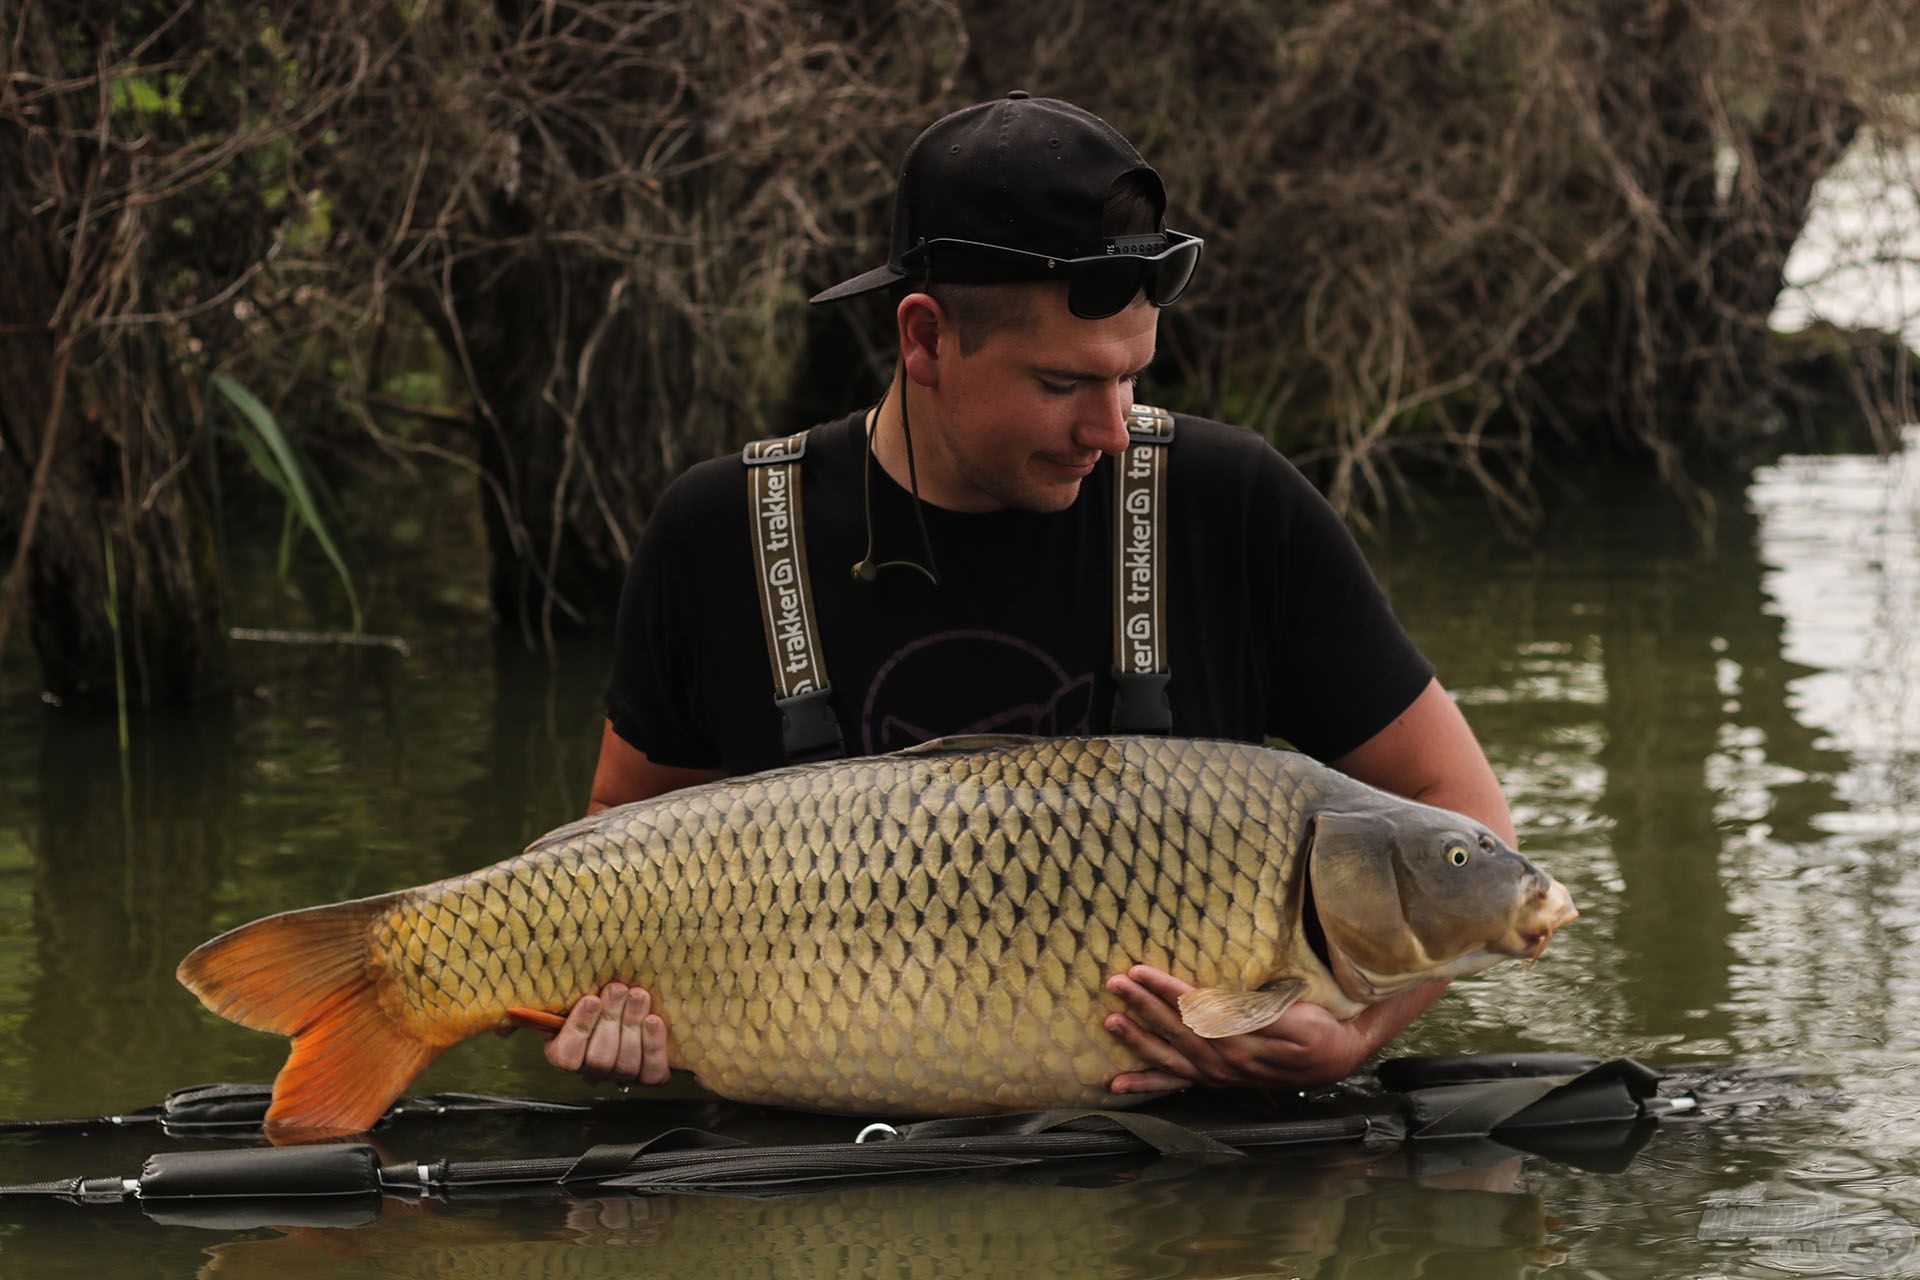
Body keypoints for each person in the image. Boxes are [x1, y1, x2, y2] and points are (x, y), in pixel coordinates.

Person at [521, 93, 1514, 1100]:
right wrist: (613, 1016)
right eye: (1061, 383)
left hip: (1173, 1207)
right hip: (817, 1188)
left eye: (1132, 377)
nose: (1113, 427)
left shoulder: (1234, 507)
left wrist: (1356, 1035)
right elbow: (621, 832)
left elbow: (1463, 815)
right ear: (924, 338)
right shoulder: (720, 531)